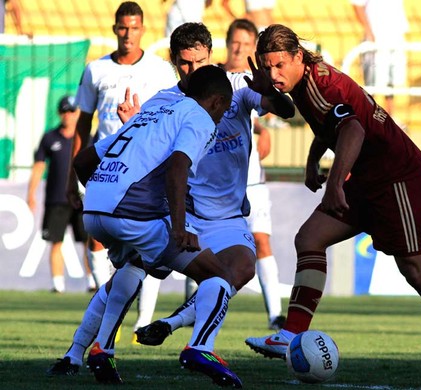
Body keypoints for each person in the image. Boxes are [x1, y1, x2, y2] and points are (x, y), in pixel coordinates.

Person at [47, 22, 294, 387]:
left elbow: (285, 110)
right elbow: (162, 160)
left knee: (239, 270)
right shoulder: (165, 100)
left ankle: (168, 325)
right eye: (184, 64)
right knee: (132, 275)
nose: (192, 71)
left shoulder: (237, 87)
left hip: (225, 215)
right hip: (181, 210)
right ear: (174, 62)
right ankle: (78, 351)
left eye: (199, 62)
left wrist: (269, 92)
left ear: (211, 56)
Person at [243, 24, 421, 383]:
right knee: (309, 239)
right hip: (367, 178)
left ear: (297, 57)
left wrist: (336, 183)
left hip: (398, 178)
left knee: (417, 272)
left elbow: (352, 130)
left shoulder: (324, 85)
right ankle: (290, 336)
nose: (274, 75)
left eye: (279, 66)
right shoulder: (306, 82)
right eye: (267, 67)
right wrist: (313, 161)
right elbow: (329, 126)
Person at [73, 64, 233, 385]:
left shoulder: (154, 110)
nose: (220, 118)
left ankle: (102, 349)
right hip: (132, 211)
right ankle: (200, 347)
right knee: (217, 275)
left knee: (134, 266)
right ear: (216, 102)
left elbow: (83, 161)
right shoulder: (200, 117)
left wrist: (100, 201)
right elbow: (178, 167)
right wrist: (178, 227)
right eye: (223, 110)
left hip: (96, 210)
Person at [66, 1, 178, 340]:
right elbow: (83, 127)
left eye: (134, 27)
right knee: (100, 242)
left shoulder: (160, 70)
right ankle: (109, 306)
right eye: (122, 27)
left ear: (143, 29)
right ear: (115, 28)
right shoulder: (95, 70)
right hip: (105, 169)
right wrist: (73, 180)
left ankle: (141, 320)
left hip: (144, 171)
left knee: (147, 249)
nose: (128, 33)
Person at [221, 18, 286, 330]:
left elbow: (259, 108)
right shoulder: (211, 78)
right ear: (227, 43)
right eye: (236, 42)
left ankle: (275, 314)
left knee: (261, 241)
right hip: (217, 181)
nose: (239, 48)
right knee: (202, 248)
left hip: (251, 180)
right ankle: (193, 313)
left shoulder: (251, 80)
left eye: (246, 44)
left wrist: (263, 129)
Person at [27, 96, 95, 293]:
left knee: (88, 240)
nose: (68, 115)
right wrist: (31, 193)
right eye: (64, 111)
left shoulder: (88, 138)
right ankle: (57, 284)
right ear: (59, 113)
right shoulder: (50, 138)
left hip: (82, 197)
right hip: (56, 198)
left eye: (72, 111)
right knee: (56, 241)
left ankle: (92, 280)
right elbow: (39, 166)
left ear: (78, 113)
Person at [351, 0, 408, 117]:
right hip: (376, 37)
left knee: (391, 82)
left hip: (396, 36)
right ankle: (369, 117)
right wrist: (369, 32)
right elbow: (357, 5)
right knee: (372, 83)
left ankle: (390, 118)